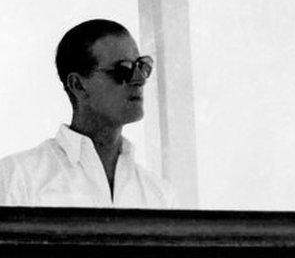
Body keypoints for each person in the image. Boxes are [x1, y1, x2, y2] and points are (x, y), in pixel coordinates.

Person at [0, 19, 176, 207]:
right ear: (78, 85)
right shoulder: (17, 177)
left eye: (142, 66)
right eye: (123, 69)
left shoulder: (159, 194)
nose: (140, 79)